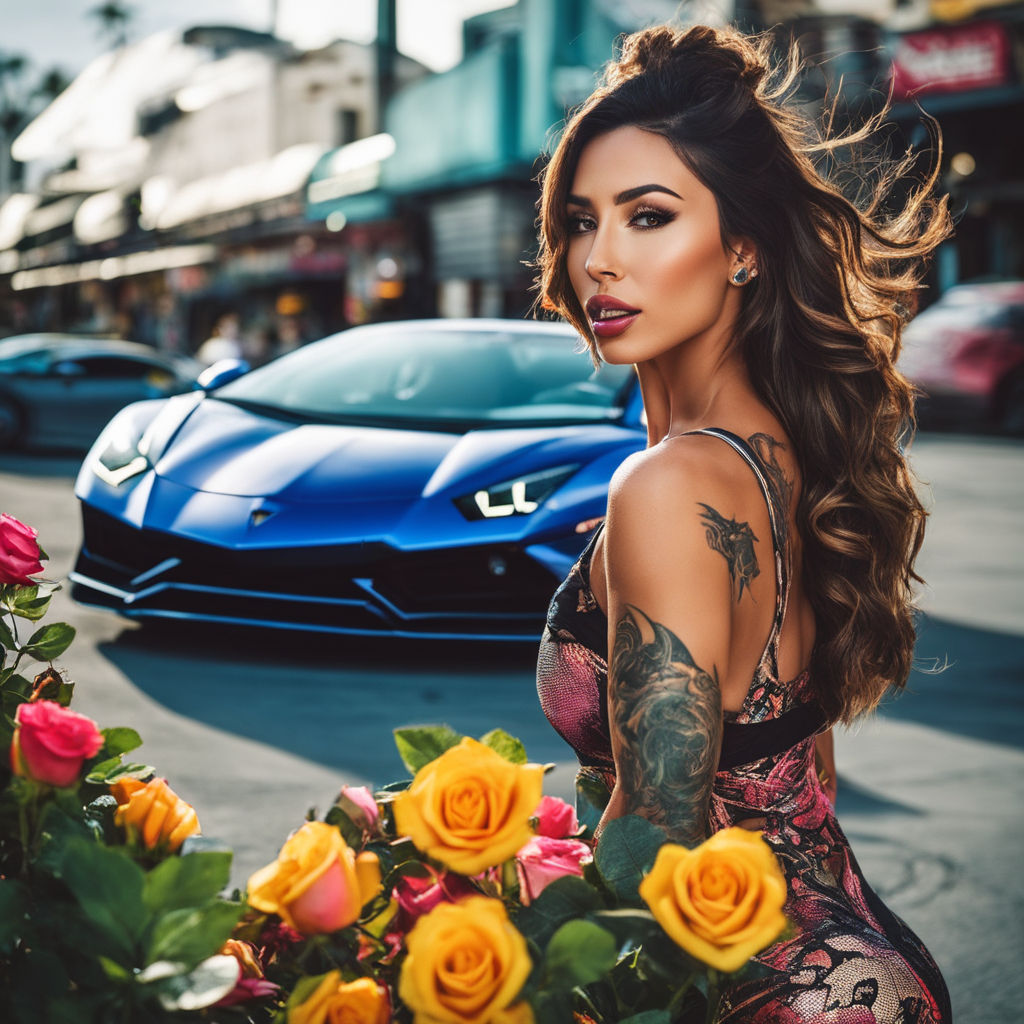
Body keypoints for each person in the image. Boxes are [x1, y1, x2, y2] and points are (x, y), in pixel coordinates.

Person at [534, 24, 952, 1024]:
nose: (598, 259)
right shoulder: (783, 457)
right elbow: (805, 769)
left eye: (648, 217)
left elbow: (657, 837)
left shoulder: (670, 484)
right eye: (581, 220)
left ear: (743, 248)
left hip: (766, 993)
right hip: (859, 965)